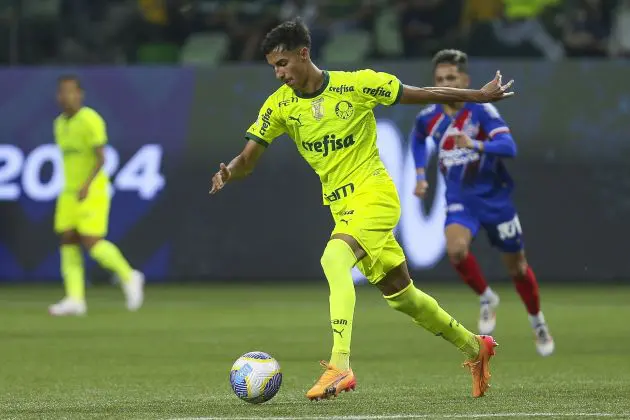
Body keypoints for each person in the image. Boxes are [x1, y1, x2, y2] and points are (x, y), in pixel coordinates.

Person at [210, 19, 513, 400]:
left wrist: (476, 96)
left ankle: (340, 365)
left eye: (284, 63)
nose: (279, 73)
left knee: (334, 258)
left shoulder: (356, 85)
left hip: (375, 195)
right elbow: (248, 158)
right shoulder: (280, 107)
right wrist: (231, 172)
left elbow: (419, 92)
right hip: (343, 208)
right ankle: (475, 346)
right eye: (274, 66)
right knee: (402, 295)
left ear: (304, 54)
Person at [411, 49, 554, 356]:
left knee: (517, 268)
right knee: (456, 250)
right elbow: (417, 137)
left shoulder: (482, 112)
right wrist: (421, 174)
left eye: (451, 78)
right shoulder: (430, 115)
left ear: (465, 80)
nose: (446, 84)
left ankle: (537, 320)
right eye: (439, 79)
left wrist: (474, 143)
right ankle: (487, 297)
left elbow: (508, 146)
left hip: (494, 199)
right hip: (460, 198)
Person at [49, 75, 145, 316]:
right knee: (68, 240)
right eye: (62, 92)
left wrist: (86, 184)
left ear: (80, 94)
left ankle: (129, 275)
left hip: (91, 190)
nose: (67, 97)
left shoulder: (90, 119)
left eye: (71, 91)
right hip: (69, 192)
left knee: (91, 242)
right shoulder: (59, 123)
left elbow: (102, 157)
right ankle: (75, 299)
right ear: (58, 96)